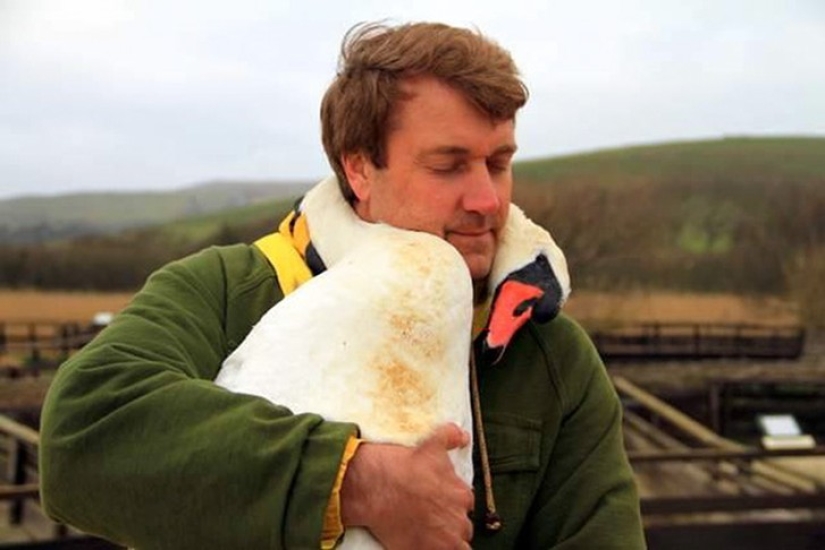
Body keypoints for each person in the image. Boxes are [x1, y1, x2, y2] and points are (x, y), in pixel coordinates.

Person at [39, 21, 646, 550]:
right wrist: (352, 481)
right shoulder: (229, 291)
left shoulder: (550, 355)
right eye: (448, 165)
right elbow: (83, 436)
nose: (487, 200)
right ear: (359, 169)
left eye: (499, 162)